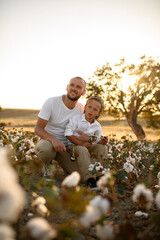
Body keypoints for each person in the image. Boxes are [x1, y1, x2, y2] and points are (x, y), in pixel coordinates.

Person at [35, 76, 107, 188]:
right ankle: (47, 167)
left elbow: (89, 129)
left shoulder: (82, 108)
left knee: (82, 178)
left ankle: (96, 175)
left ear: (83, 92)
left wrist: (92, 140)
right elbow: (38, 128)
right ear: (67, 87)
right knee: (46, 149)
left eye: (78, 87)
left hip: (68, 148)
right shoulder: (52, 102)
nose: (74, 88)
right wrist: (54, 139)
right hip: (49, 142)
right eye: (72, 85)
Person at [64, 96, 108, 188]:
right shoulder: (76, 119)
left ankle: (100, 176)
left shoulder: (97, 126)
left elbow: (97, 140)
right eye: (89, 107)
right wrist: (81, 143)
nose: (91, 111)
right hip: (73, 147)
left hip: (87, 146)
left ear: (98, 113)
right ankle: (90, 180)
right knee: (82, 149)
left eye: (95, 109)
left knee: (102, 148)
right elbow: (68, 133)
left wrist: (102, 142)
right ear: (85, 107)